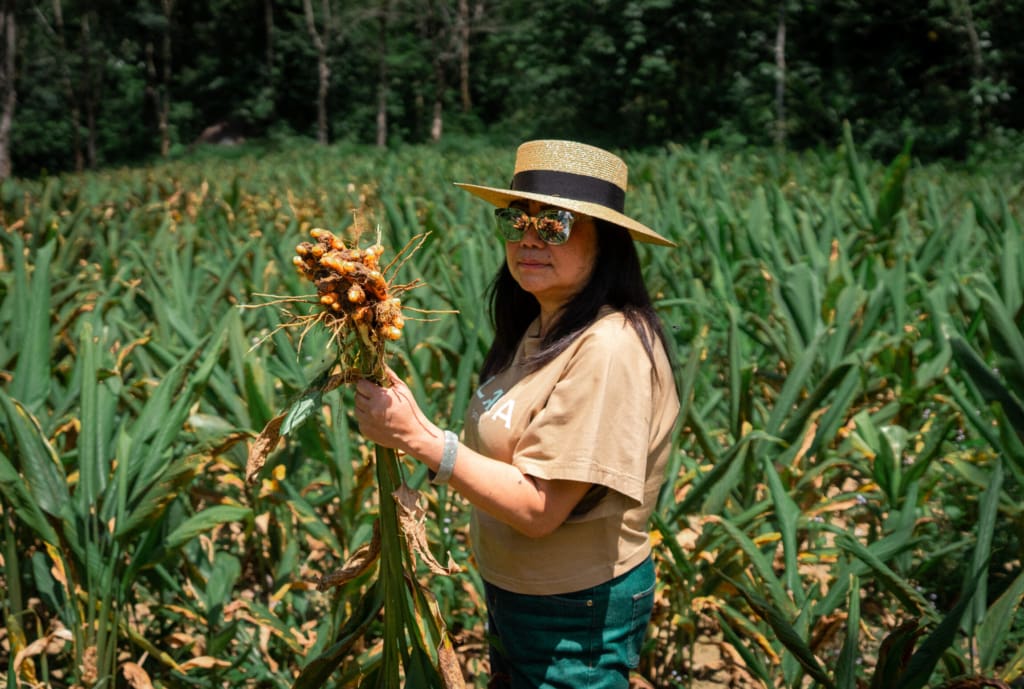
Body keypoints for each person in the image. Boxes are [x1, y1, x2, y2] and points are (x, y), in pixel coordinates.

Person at [354, 139, 680, 689]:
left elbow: (539, 508)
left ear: (607, 242)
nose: (529, 238)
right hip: (521, 595)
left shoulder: (610, 346)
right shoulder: (538, 325)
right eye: (517, 221)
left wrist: (423, 440)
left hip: (576, 607)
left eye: (555, 224)